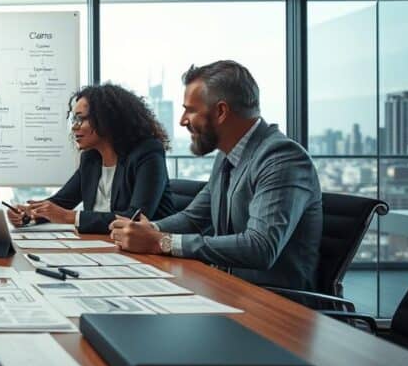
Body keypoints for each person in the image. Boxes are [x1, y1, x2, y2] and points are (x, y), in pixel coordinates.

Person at [109, 60, 322, 290]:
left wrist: (163, 242)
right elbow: (193, 218)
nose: (182, 120)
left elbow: (260, 247)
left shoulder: (281, 158)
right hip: (228, 289)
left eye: (191, 110)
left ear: (221, 111)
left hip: (275, 306)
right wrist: (149, 231)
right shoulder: (227, 156)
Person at [6, 84, 175, 234]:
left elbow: (136, 218)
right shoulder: (91, 159)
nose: (74, 127)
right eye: (74, 119)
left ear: (106, 119)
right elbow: (61, 203)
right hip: (101, 246)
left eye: (81, 118)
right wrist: (29, 213)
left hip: (148, 254)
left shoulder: (147, 153)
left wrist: (70, 217)